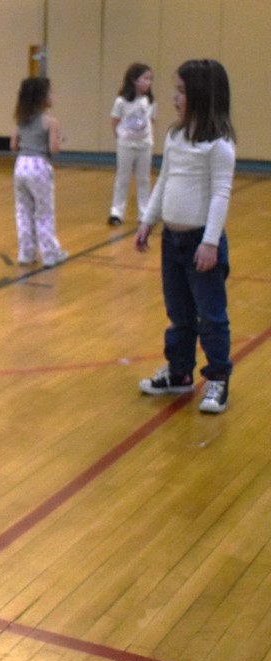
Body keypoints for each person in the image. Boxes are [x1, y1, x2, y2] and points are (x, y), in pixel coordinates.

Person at [136, 59, 236, 414]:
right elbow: (164, 180)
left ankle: (217, 380)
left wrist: (210, 242)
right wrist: (148, 220)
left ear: (202, 95)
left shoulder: (219, 146)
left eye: (181, 91)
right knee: (179, 313)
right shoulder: (175, 136)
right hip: (172, 243)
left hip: (200, 245)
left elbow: (221, 194)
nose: (175, 98)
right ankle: (179, 373)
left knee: (211, 316)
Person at [10, 76, 68, 268]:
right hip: (39, 167)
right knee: (44, 212)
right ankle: (50, 254)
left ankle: (26, 253)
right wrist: (59, 140)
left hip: (20, 165)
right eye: (50, 92)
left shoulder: (20, 120)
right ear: (42, 97)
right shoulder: (51, 122)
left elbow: (13, 145)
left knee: (23, 211)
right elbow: (54, 149)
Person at [108, 63, 156, 226]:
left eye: (150, 79)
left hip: (144, 145)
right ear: (134, 80)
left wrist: (144, 136)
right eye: (145, 78)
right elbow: (115, 121)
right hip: (126, 145)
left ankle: (144, 213)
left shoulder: (149, 101)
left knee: (144, 179)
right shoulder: (121, 101)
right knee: (123, 178)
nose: (148, 82)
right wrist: (122, 138)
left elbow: (152, 121)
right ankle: (116, 212)